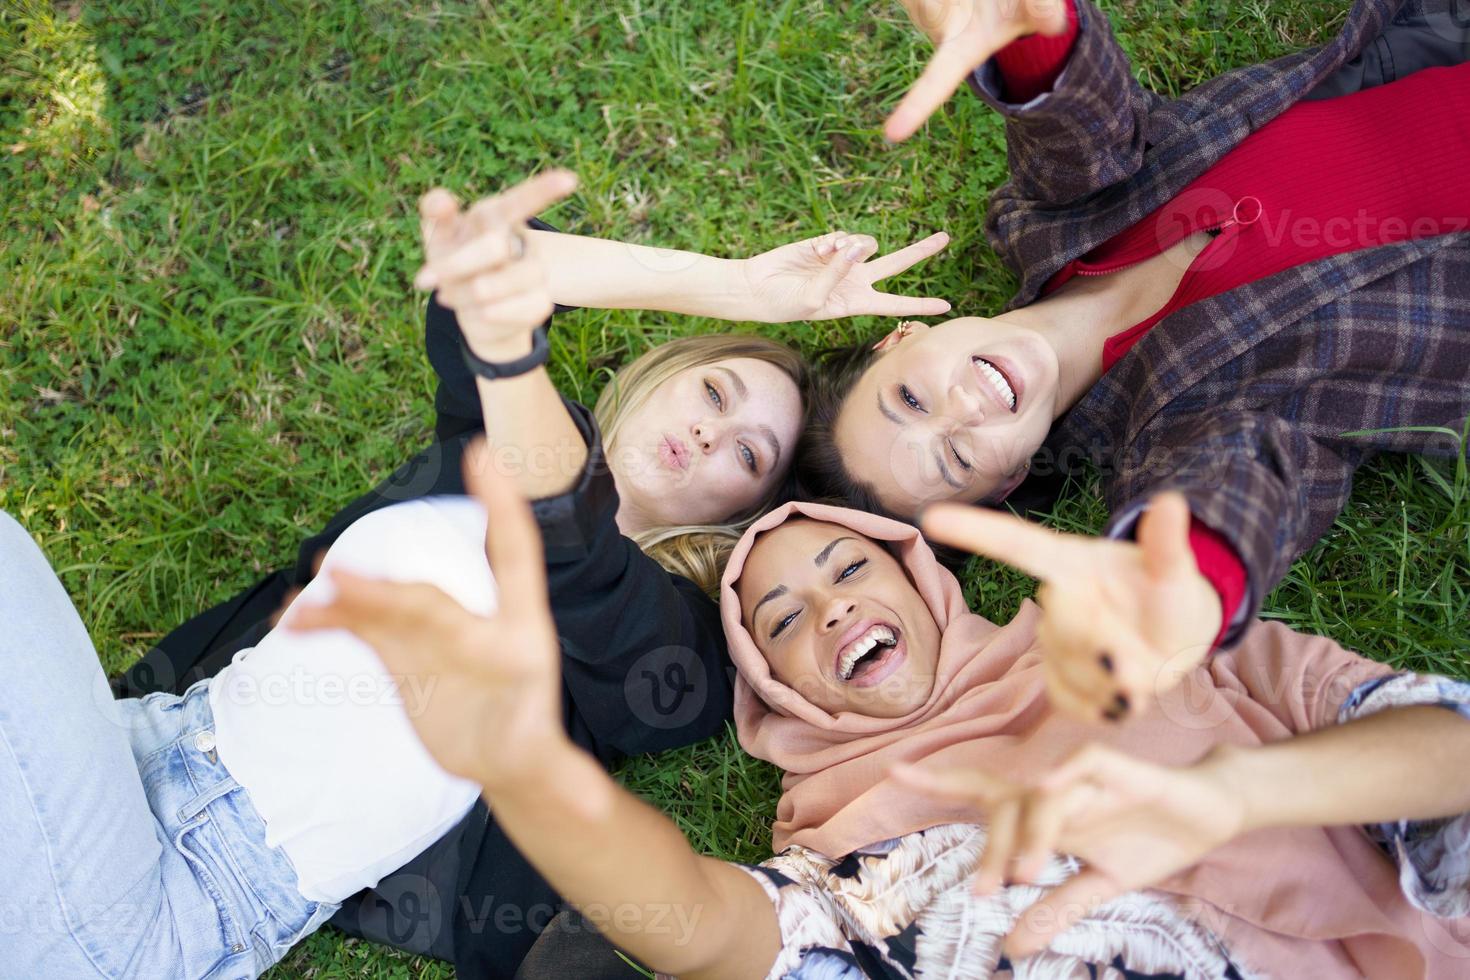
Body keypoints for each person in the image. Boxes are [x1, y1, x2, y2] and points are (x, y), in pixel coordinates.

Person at [109, 170, 953, 975]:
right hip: (154, 730)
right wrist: (741, 291)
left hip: (213, 881)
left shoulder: (680, 651)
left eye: (746, 451)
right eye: (714, 394)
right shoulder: (481, 441)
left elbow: (575, 542)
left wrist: (510, 357)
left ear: (742, 513)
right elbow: (487, 272)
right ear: (661, 377)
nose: (708, 433)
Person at [294, 462, 1470, 979]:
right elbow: (702, 930)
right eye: (783, 617)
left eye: (850, 564)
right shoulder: (847, 856)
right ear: (777, 694)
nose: (834, 605)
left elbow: (1449, 748)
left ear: (921, 575)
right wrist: (523, 762)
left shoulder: (1132, 639)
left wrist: (1230, 793)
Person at [795, 0, 1470, 718]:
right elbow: (1237, 482)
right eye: (957, 460)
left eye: (910, 400)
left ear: (898, 341)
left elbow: (1085, 128)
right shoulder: (1168, 432)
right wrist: (1181, 579)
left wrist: (1031, 40)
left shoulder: (1052, 219)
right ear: (1010, 482)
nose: (965, 408)